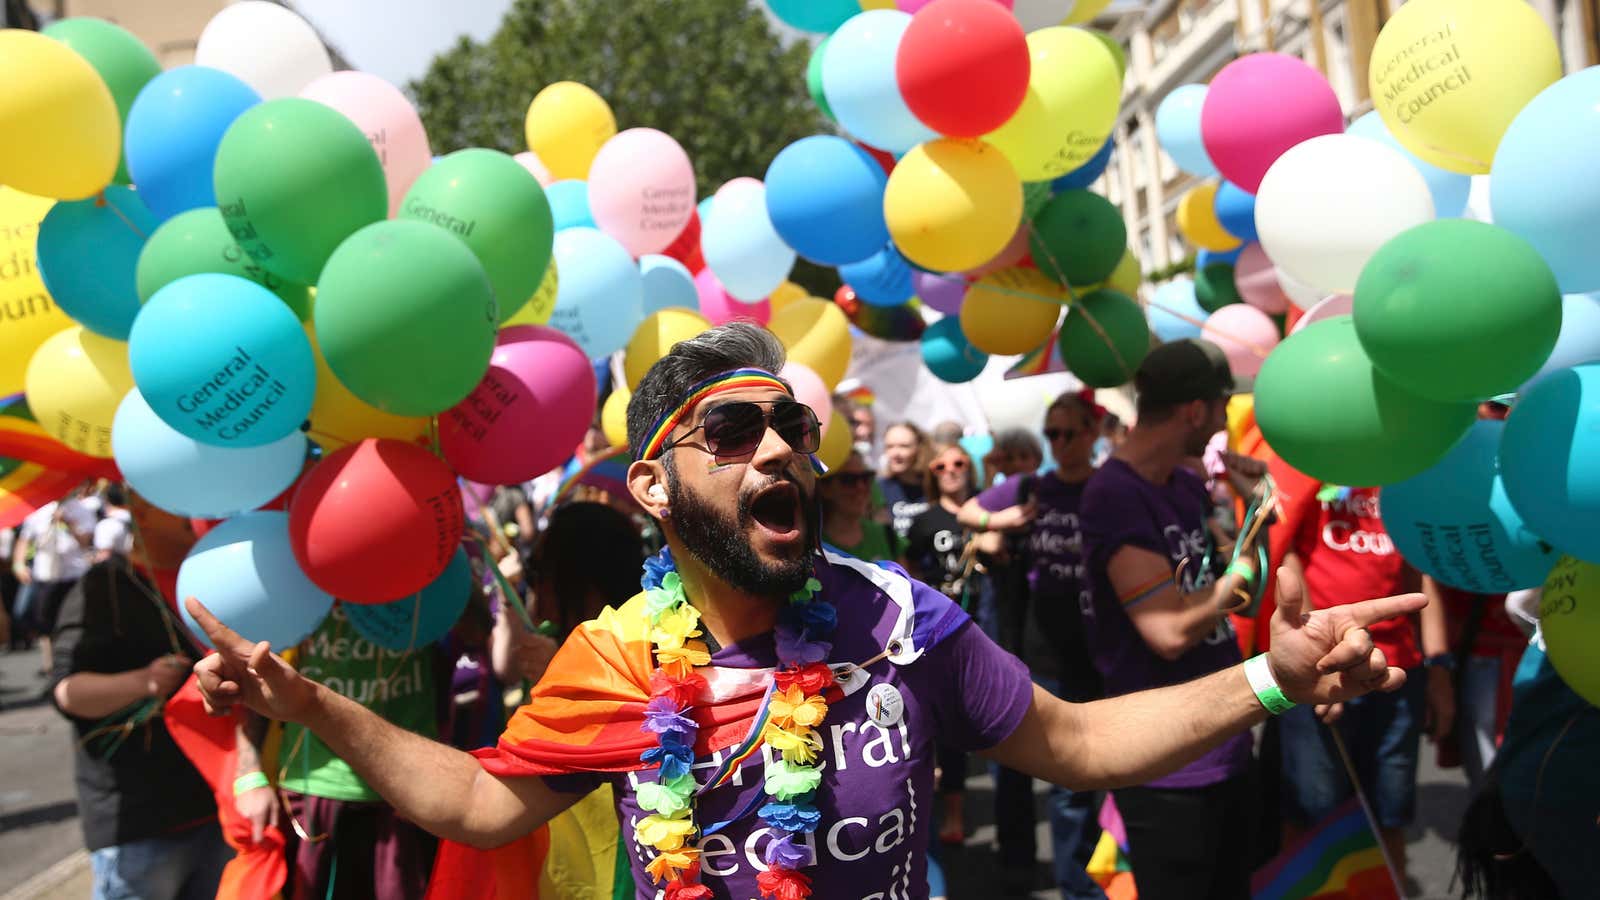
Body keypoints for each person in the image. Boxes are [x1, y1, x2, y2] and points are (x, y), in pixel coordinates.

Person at [189, 323, 1424, 900]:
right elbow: (473, 799)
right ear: (655, 488)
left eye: (791, 422)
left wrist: (1272, 675)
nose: (780, 444)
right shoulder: (618, 659)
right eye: (733, 430)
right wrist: (311, 705)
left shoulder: (900, 620)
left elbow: (1080, 744)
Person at [1077, 338, 1276, 900]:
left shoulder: (1184, 485)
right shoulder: (1114, 494)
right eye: (1219, 410)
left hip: (1224, 743)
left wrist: (1257, 509)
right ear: (1195, 410)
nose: (1221, 425)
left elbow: (1246, 595)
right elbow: (1165, 631)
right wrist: (1231, 582)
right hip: (1167, 764)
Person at [51, 491, 263, 900]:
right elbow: (67, 692)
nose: (199, 509)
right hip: (141, 824)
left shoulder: (217, 579)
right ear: (142, 510)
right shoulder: (105, 585)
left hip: (217, 810)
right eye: (179, 497)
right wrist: (143, 682)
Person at [961, 391, 1107, 899]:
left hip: (1093, 655)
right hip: (1031, 651)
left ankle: (1077, 884)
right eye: (1053, 434)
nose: (1061, 443)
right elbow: (968, 511)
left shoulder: (1108, 488)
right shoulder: (1032, 487)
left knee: (1077, 783)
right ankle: (1018, 867)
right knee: (1017, 770)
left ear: (1092, 434)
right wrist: (1001, 523)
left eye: (1070, 433)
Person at [1277, 483, 1441, 878]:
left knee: (1391, 811)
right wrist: (1318, 660)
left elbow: (1421, 575)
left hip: (1397, 670)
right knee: (1312, 814)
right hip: (1320, 673)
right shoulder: (1305, 469)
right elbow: (1285, 556)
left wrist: (1439, 670)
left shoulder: (1405, 478)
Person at [904, 443, 993, 846]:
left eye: (959, 463)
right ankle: (947, 809)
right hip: (938, 629)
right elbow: (909, 569)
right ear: (932, 472)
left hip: (986, 623)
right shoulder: (925, 520)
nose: (951, 470)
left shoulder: (988, 510)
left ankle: (959, 806)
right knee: (943, 719)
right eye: (942, 465)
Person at [15, 492, 96, 675]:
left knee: (75, 619)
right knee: (45, 622)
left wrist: (69, 522)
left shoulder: (82, 510)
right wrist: (18, 564)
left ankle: (76, 661)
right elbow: (25, 540)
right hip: (46, 576)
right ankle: (50, 664)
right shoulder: (38, 511)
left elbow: (87, 542)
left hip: (74, 576)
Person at [820, 449, 900, 563]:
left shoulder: (886, 535)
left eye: (865, 478)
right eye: (849, 480)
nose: (860, 487)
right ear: (825, 488)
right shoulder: (810, 545)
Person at [879, 421, 932, 543]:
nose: (896, 453)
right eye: (890, 446)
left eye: (904, 446)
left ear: (919, 448)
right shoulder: (878, 488)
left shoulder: (934, 485)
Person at [980, 428, 1045, 490]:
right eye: (1009, 458)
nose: (1017, 464)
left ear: (1038, 459)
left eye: (1024, 457)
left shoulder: (1048, 489)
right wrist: (989, 477)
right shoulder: (1000, 491)